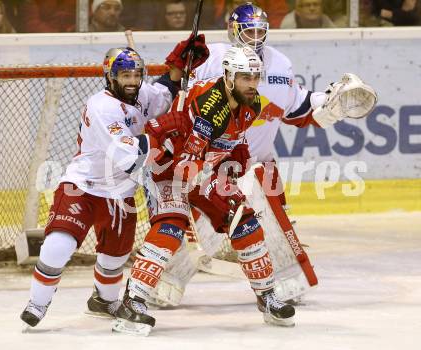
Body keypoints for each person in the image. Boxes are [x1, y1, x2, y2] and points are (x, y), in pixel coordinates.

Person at [149, 1, 377, 309]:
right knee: (192, 228)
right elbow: (173, 95)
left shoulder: (280, 63)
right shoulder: (209, 56)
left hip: (257, 162)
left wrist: (328, 100)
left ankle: (282, 282)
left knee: (272, 223)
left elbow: (295, 108)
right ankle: (168, 279)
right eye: (249, 30)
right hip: (209, 162)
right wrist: (177, 72)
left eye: (260, 30)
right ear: (233, 30)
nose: (255, 37)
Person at [19, 38, 210, 328]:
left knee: (115, 256)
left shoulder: (142, 92)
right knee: (58, 245)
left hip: (120, 192)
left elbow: (164, 93)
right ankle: (37, 303)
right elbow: (131, 159)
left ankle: (104, 301)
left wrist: (179, 65)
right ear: (110, 77)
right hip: (83, 185)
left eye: (136, 74)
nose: (132, 81)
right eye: (125, 75)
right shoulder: (101, 107)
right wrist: (164, 129)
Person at [112, 46, 296, 336]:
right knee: (170, 230)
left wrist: (236, 161)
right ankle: (132, 302)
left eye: (255, 77)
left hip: (204, 166)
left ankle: (267, 297)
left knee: (245, 223)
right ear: (229, 76)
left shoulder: (252, 103)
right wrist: (207, 178)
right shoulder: (211, 106)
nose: (252, 84)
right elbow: (189, 164)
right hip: (169, 166)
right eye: (245, 77)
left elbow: (235, 141)